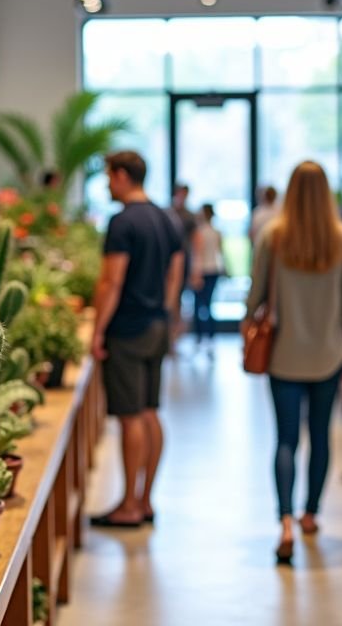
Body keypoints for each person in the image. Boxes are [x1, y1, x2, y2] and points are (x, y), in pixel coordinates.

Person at [245, 162, 342, 564]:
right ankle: (311, 513)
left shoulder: (272, 237)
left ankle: (285, 522)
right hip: (329, 355)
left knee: (286, 440)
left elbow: (255, 295)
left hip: (283, 357)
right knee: (321, 436)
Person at [89, 151, 185, 528]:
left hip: (127, 328)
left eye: (110, 176)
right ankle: (145, 500)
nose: (107, 184)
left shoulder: (122, 222)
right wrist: (166, 313)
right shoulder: (166, 218)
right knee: (149, 412)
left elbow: (112, 281)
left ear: (123, 176)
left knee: (130, 418)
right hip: (157, 324)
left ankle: (128, 504)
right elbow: (174, 274)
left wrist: (98, 330)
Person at [167, 184, 199, 348]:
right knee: (172, 295)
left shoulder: (190, 216)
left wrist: (195, 267)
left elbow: (195, 241)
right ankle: (170, 334)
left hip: (184, 260)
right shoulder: (168, 213)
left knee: (180, 296)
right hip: (169, 260)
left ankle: (176, 334)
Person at [191, 203, 224, 347]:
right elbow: (220, 252)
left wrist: (195, 274)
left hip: (203, 270)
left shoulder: (200, 232)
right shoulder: (217, 232)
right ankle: (209, 335)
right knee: (208, 305)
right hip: (214, 269)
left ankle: (200, 336)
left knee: (199, 305)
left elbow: (197, 255)